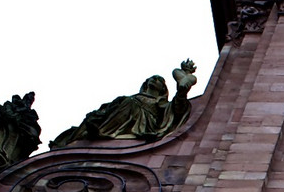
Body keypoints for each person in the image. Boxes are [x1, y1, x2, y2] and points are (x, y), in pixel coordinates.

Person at [51, 60, 197, 148]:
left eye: (159, 80)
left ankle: (103, 131)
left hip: (144, 122)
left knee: (128, 103)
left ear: (162, 89)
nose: (154, 80)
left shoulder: (160, 102)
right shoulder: (135, 96)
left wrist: (182, 90)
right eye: (152, 78)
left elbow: (176, 109)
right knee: (124, 102)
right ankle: (101, 128)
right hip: (123, 113)